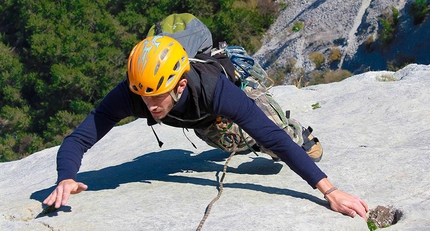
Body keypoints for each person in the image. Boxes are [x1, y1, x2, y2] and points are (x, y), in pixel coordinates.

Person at [43, 35, 369, 220]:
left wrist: (330, 191)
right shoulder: (135, 92)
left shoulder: (214, 90)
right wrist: (66, 177)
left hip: (238, 88)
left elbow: (268, 134)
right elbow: (79, 138)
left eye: (157, 98)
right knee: (231, 142)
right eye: (143, 98)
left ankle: (297, 131)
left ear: (181, 86)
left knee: (270, 138)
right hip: (204, 120)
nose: (149, 106)